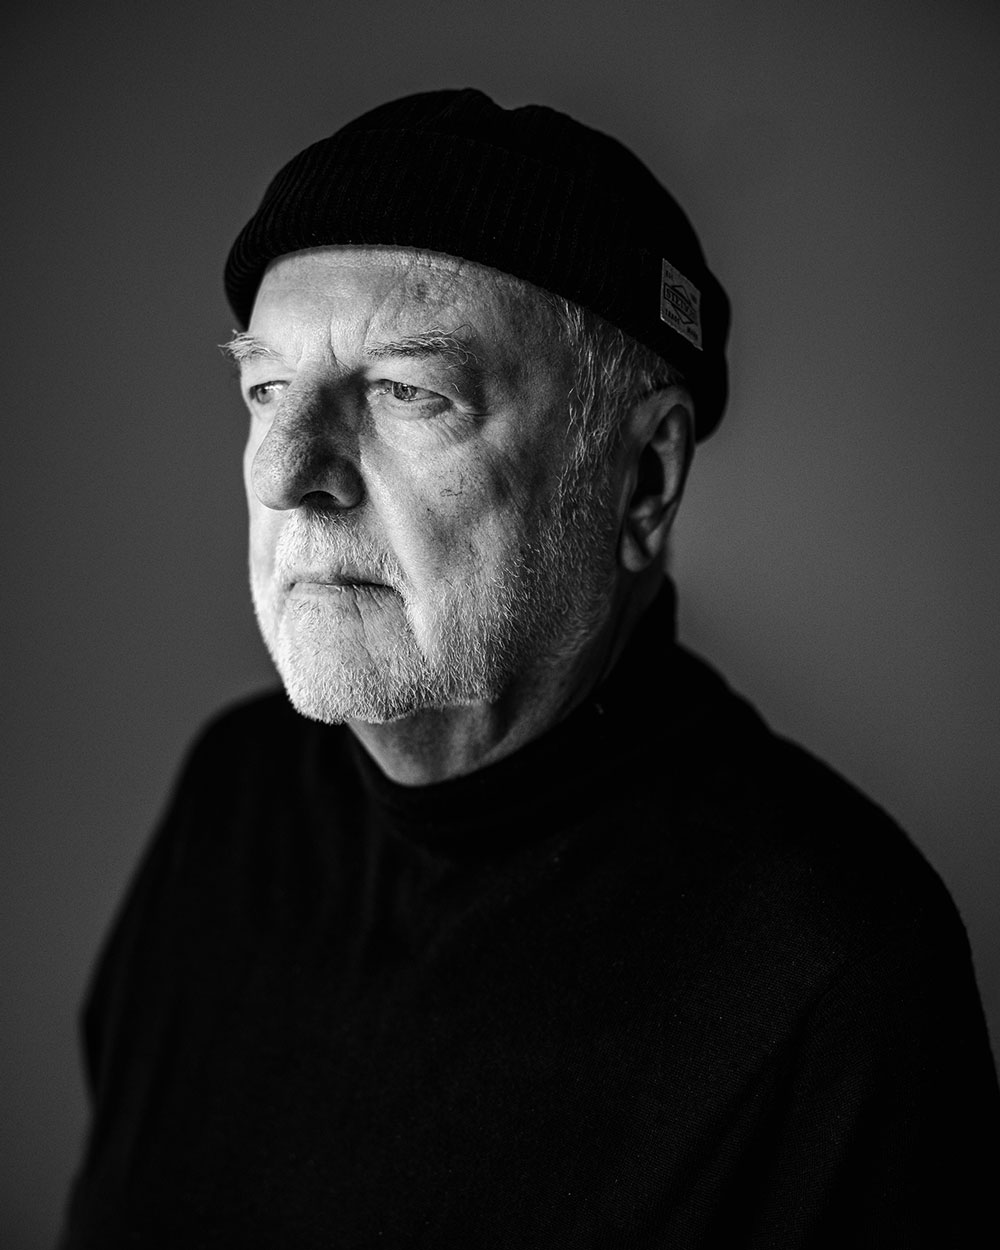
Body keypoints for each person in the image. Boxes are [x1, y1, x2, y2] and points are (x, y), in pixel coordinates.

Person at [60, 89, 999, 1247]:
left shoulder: (834, 964)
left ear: (641, 480)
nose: (285, 472)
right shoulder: (234, 793)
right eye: (266, 388)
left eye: (407, 391)